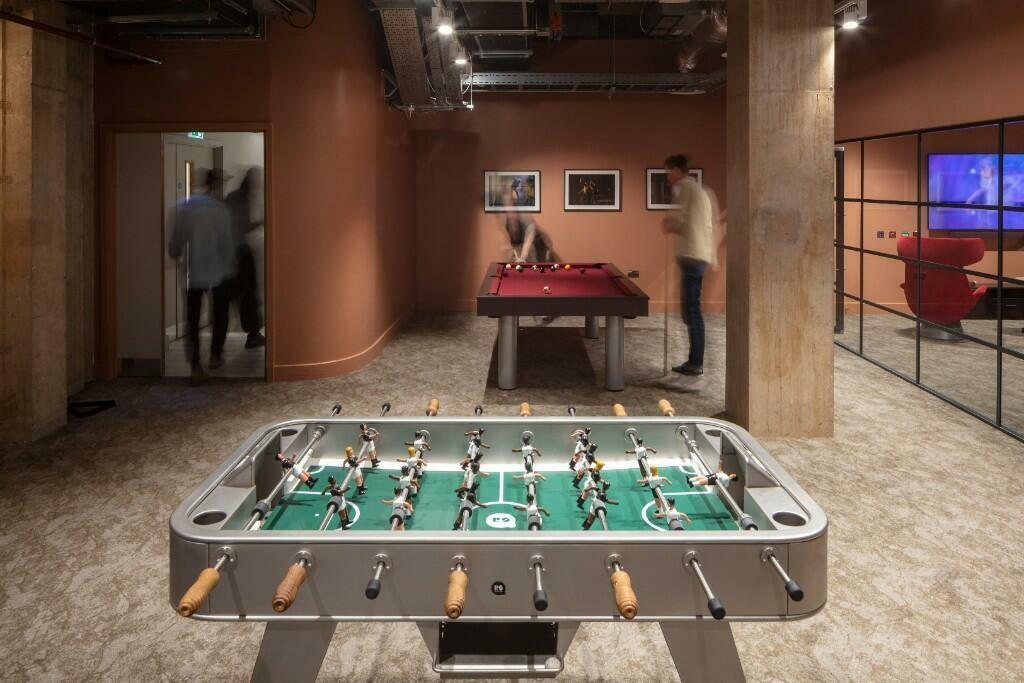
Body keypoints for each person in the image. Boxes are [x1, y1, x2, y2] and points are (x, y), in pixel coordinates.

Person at [168, 167, 236, 377]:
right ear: (216, 184)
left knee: (193, 318)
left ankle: (195, 364)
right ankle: (215, 354)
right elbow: (227, 243)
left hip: (193, 271)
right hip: (219, 270)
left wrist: (176, 252)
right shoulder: (221, 209)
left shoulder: (185, 207)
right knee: (220, 314)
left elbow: (176, 245)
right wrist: (231, 267)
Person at [661, 154, 715, 376]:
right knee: (690, 311)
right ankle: (695, 360)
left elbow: (684, 222)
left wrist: (670, 224)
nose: (667, 176)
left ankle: (695, 362)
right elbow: (705, 226)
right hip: (699, 256)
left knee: (691, 311)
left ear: (678, 170)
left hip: (692, 257)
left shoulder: (685, 188)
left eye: (669, 171)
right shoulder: (702, 192)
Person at [224, 167, 265, 349]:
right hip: (239, 252)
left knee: (246, 295)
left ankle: (252, 331)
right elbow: (240, 227)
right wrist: (262, 222)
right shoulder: (240, 200)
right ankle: (252, 333)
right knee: (249, 294)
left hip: (234, 253)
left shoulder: (234, 198)